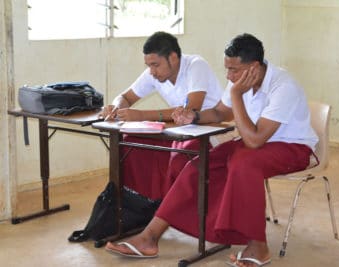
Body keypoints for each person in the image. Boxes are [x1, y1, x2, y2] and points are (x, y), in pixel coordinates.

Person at [105, 33, 318, 267]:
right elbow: (219, 113)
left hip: (292, 147)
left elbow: (255, 140)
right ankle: (149, 237)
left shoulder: (282, 86)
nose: (228, 76)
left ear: (254, 67)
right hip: (253, 142)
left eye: (234, 70)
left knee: (243, 164)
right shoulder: (240, 78)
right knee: (198, 164)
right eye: (227, 69)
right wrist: (193, 116)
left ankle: (259, 246)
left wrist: (236, 94)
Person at [101, 31, 222, 200]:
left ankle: (172, 211)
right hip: (179, 132)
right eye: (148, 65)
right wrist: (116, 108)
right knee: (128, 141)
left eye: (155, 65)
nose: (151, 71)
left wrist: (141, 115)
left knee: (181, 154)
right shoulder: (155, 74)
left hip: (209, 132)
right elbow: (125, 97)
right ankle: (143, 205)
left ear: (173, 57)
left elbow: (190, 111)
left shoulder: (196, 65)